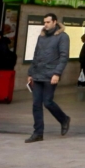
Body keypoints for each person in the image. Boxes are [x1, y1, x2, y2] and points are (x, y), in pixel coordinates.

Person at [25, 13, 71, 143]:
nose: (45, 24)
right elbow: (36, 55)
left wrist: (57, 73)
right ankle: (38, 133)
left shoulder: (62, 37)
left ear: (55, 22)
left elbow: (63, 57)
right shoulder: (42, 36)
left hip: (51, 75)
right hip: (38, 74)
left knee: (48, 102)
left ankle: (64, 119)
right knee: (36, 104)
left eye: (48, 22)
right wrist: (30, 73)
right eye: (44, 22)